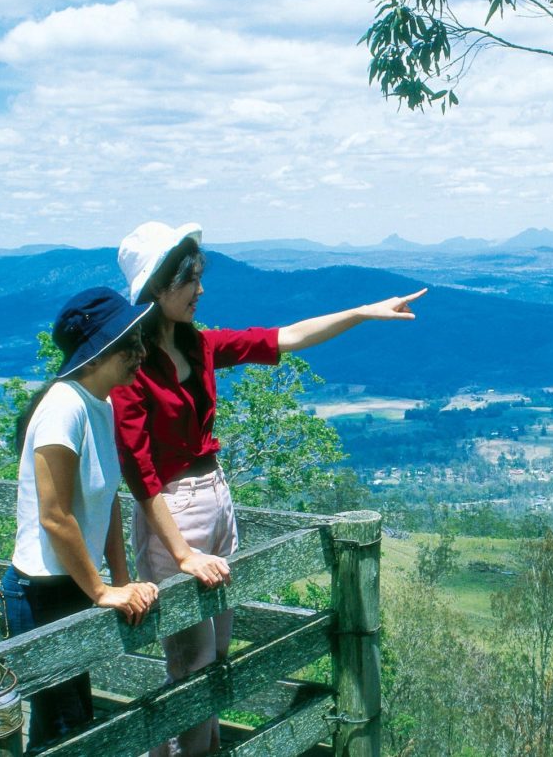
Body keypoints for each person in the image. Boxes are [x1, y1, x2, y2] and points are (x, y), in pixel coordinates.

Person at [111, 221, 425, 756]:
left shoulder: (201, 346)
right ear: (158, 288)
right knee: (190, 666)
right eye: (190, 279)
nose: (201, 290)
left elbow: (283, 337)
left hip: (216, 502)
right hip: (173, 517)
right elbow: (139, 474)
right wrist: (182, 554)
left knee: (216, 657)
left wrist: (362, 313)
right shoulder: (134, 369)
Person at [0, 286, 162, 751]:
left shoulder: (100, 405)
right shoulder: (62, 409)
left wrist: (123, 580)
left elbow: (107, 498)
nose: (140, 353)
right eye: (130, 345)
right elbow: (55, 516)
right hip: (40, 592)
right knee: (62, 732)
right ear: (96, 354)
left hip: (72, 586)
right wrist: (104, 589)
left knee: (70, 726)